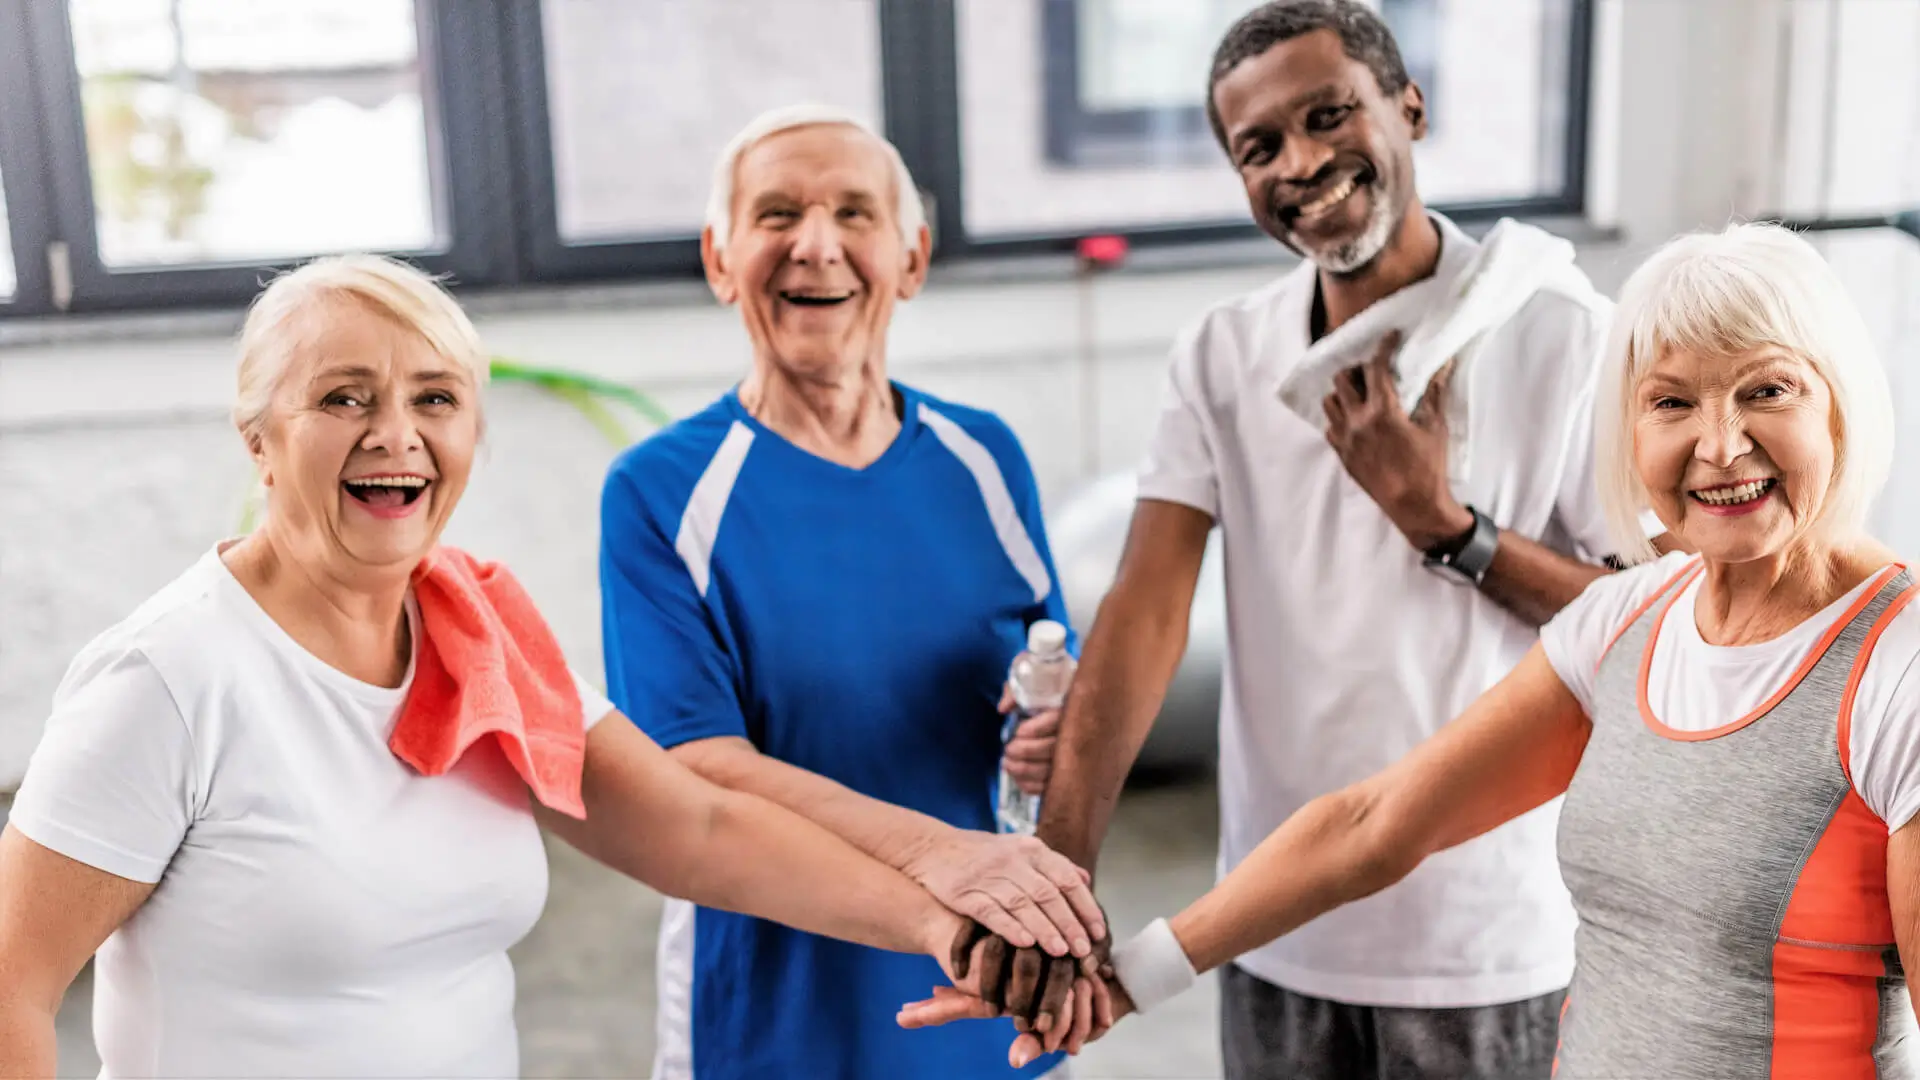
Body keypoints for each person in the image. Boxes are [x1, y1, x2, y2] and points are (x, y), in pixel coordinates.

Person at [0, 253, 1058, 1077]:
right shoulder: (170, 678)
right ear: (259, 438)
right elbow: (13, 985)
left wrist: (940, 917)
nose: (395, 436)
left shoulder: (476, 631)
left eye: (434, 399)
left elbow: (694, 830)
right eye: (343, 398)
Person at [909, 221, 1920, 1077]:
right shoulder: (1631, 619)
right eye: (1672, 402)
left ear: (1842, 398)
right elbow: (1375, 823)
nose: (1717, 445)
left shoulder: (1897, 662)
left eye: (1767, 392)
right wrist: (1129, 977)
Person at [1015, 2, 1671, 1077]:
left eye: (1330, 115)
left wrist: (1448, 528)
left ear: (1408, 108)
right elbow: (1144, 611)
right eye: (1259, 147)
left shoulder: (1563, 333)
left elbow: (1654, 626)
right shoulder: (1224, 355)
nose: (1304, 162)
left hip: (1489, 943)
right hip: (1274, 925)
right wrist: (1060, 869)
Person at [596, 103, 1106, 1080]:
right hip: (776, 1016)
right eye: (777, 214)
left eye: (855, 215)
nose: (816, 246)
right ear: (719, 258)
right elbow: (699, 768)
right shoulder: (660, 493)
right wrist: (942, 861)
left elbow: (1047, 670)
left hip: (992, 995)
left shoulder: (985, 457)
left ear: (911, 259)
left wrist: (1055, 725)